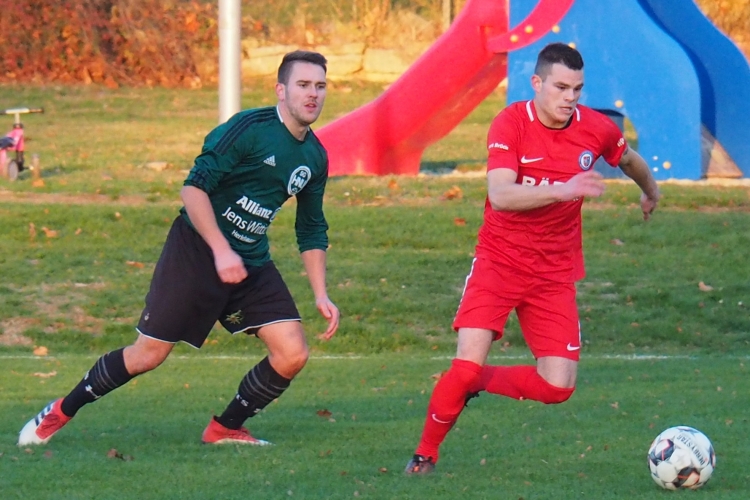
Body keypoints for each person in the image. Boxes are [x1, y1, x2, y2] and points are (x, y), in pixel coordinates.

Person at [19, 50, 340, 447]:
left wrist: (321, 294)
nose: (312, 94)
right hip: (196, 251)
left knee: (292, 353)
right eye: (303, 85)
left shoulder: (315, 157)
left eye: (320, 86)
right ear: (281, 90)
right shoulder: (249, 129)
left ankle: (224, 429)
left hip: (250, 262)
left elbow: (311, 229)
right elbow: (193, 189)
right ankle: (59, 411)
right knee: (148, 355)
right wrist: (221, 250)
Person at [405, 42, 660, 474]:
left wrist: (650, 191)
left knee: (558, 386)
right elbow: (501, 194)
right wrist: (564, 190)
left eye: (577, 89)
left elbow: (629, 159)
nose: (569, 97)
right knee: (464, 365)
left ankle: (477, 382)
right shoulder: (511, 123)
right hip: (498, 263)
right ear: (537, 83)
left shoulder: (595, 128)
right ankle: (425, 454)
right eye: (560, 87)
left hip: (554, 273)